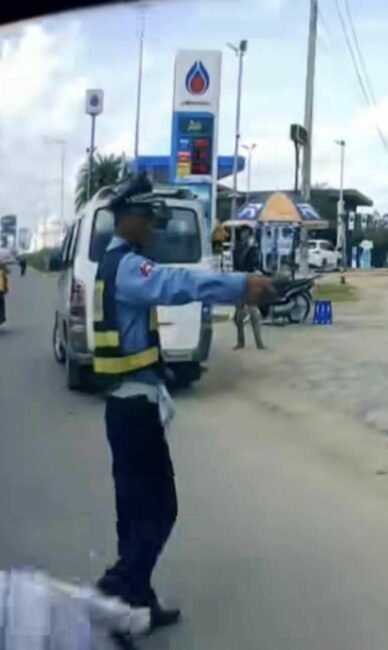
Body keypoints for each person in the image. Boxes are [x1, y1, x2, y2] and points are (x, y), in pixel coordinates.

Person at [91, 175, 275, 632]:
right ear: (128, 219)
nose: (153, 229)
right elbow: (177, 284)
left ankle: (138, 601)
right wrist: (241, 284)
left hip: (126, 406)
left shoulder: (111, 264)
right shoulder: (129, 268)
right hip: (134, 411)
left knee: (136, 515)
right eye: (148, 219)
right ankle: (115, 592)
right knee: (160, 509)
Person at [231, 227, 266, 350]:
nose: (244, 236)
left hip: (250, 284)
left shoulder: (254, 250)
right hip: (239, 283)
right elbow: (235, 268)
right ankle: (241, 341)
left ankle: (259, 342)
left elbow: (257, 267)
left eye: (247, 234)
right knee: (238, 316)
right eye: (242, 234)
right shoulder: (236, 251)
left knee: (253, 313)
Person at [0, 260, 8, 325]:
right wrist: (5, 289)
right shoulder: (2, 272)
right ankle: (1, 318)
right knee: (1, 304)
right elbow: (5, 280)